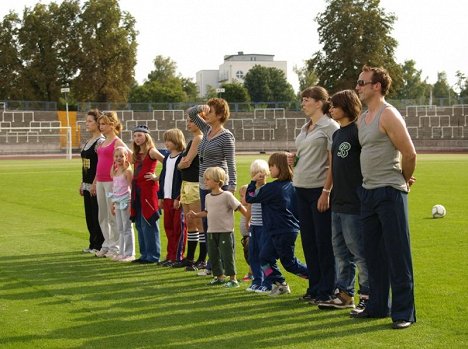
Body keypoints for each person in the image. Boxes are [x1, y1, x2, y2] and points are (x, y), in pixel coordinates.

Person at [352, 65, 417, 330]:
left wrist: (402, 178)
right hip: (368, 193)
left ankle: (403, 313)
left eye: (362, 82)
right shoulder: (363, 118)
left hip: (390, 192)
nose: (358, 86)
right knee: (373, 254)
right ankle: (378, 306)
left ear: (376, 86)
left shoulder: (388, 115)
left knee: (397, 253)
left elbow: (410, 153)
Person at [316, 90, 369, 312]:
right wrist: (326, 191)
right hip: (338, 202)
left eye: (335, 106)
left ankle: (367, 296)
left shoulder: (359, 131)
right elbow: (333, 168)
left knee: (360, 253)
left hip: (355, 203)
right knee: (340, 252)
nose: (331, 110)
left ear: (347, 106)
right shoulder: (337, 135)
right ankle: (345, 295)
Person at [290, 86, 339, 303]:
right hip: (300, 189)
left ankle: (327, 290)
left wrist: (326, 192)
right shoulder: (305, 127)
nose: (303, 103)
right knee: (309, 242)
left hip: (319, 190)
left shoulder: (330, 127)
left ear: (319, 102)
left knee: (323, 242)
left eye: (306, 99)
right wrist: (295, 160)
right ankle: (314, 287)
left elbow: (333, 163)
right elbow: (303, 156)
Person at [245, 152, 309, 297]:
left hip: (282, 230)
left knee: (290, 263)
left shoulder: (272, 188)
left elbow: (250, 197)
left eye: (271, 166)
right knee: (265, 258)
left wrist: (253, 182)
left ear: (280, 167)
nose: (269, 169)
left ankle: (318, 278)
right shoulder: (293, 185)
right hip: (281, 230)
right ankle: (280, 283)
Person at [187, 98, 237, 276]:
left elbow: (231, 163)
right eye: (206, 111)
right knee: (208, 225)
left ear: (221, 115)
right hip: (203, 183)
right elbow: (191, 112)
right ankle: (213, 265)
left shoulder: (226, 136)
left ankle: (223, 266)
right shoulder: (207, 129)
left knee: (219, 226)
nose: (206, 114)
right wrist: (202, 106)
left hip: (218, 185)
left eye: (210, 111)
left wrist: (232, 187)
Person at [187, 167, 248, 288]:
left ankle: (233, 279)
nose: (205, 182)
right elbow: (207, 212)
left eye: (208, 179)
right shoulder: (208, 197)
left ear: (217, 180)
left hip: (225, 231)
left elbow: (240, 207)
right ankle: (219, 277)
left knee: (227, 255)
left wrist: (248, 219)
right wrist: (196, 215)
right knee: (213, 255)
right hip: (211, 231)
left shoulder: (227, 196)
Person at [94, 111, 130, 258]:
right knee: (102, 215)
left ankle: (115, 246)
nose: (101, 126)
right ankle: (107, 244)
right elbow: (99, 162)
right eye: (100, 124)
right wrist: (94, 182)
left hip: (112, 182)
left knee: (112, 215)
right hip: (100, 181)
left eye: (104, 124)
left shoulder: (117, 142)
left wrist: (121, 172)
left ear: (112, 124)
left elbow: (130, 157)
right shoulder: (102, 142)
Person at [130, 125, 165, 264]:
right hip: (137, 191)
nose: (137, 138)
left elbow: (168, 163)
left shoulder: (152, 151)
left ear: (146, 136)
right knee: (139, 223)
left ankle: (153, 256)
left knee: (148, 222)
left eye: (140, 135)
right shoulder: (137, 154)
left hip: (148, 191)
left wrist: (157, 177)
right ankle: (144, 254)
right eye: (135, 136)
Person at [173, 116, 204, 270]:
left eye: (191, 121)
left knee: (198, 222)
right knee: (190, 222)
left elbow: (186, 162)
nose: (188, 123)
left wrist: (181, 164)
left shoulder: (199, 138)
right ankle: (190, 258)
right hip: (187, 184)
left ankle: (202, 258)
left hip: (194, 184)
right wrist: (182, 164)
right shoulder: (192, 140)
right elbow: (182, 163)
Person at [158, 128, 187, 267]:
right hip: (167, 198)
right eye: (165, 140)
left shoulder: (182, 158)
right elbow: (163, 178)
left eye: (169, 140)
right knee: (168, 227)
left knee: (179, 228)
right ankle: (170, 255)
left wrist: (178, 197)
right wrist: (161, 196)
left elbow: (182, 180)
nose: (167, 143)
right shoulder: (166, 158)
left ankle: (178, 256)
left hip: (177, 200)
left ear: (177, 140)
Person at [245, 159, 273, 295]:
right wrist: (248, 220)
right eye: (255, 174)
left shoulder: (267, 190)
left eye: (261, 174)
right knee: (253, 255)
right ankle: (257, 280)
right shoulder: (253, 190)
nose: (258, 177)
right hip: (254, 227)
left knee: (265, 256)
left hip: (264, 228)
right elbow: (249, 203)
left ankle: (268, 281)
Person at [79, 109, 105, 254]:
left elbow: (100, 165)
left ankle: (99, 244)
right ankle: (92, 243)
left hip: (96, 184)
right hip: (87, 183)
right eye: (86, 121)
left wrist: (94, 182)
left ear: (97, 123)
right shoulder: (88, 141)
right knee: (89, 215)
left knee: (97, 215)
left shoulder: (100, 142)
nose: (87, 124)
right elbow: (85, 164)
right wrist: (82, 182)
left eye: (90, 121)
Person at [108, 146, 135, 262]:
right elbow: (115, 188)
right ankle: (122, 251)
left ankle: (130, 253)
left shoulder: (128, 171)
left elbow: (131, 187)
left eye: (121, 156)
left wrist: (132, 204)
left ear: (126, 157)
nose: (118, 158)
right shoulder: (115, 171)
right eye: (116, 156)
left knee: (127, 227)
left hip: (126, 201)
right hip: (117, 201)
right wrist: (112, 204)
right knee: (120, 228)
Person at [238, 185, 253, 282]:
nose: (240, 198)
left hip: (250, 236)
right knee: (248, 256)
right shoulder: (246, 207)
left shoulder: (251, 209)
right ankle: (252, 273)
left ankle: (252, 274)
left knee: (251, 256)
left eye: (242, 196)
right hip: (245, 237)